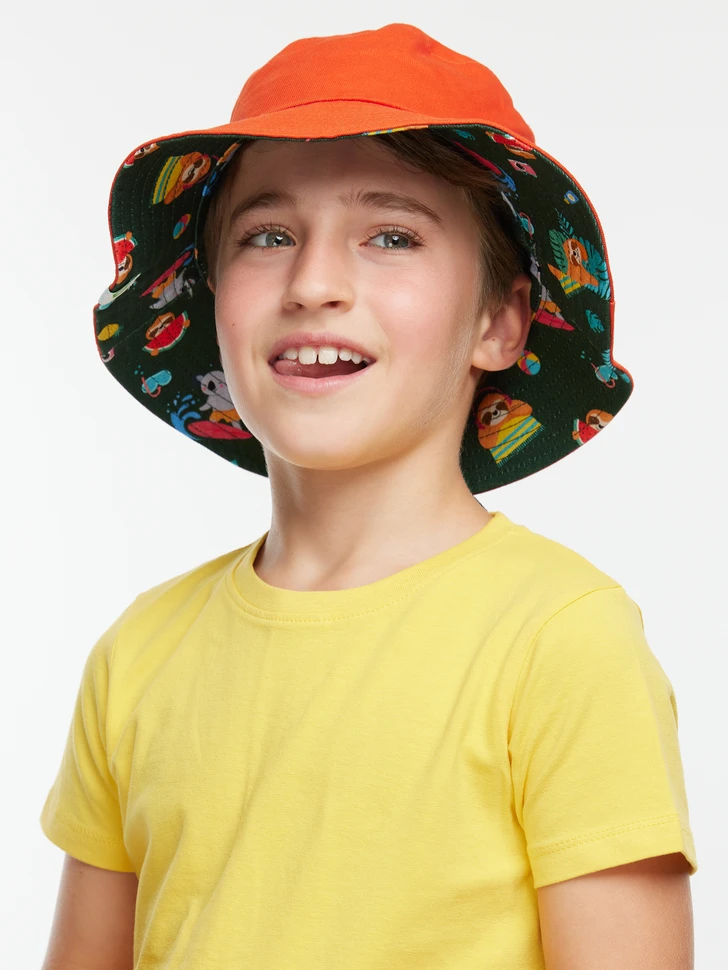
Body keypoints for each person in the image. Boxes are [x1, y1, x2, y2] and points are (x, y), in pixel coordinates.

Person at [39, 23, 698, 970]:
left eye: (392, 236)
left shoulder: (561, 640)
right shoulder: (138, 654)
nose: (313, 283)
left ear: (501, 320)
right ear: (210, 298)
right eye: (268, 236)